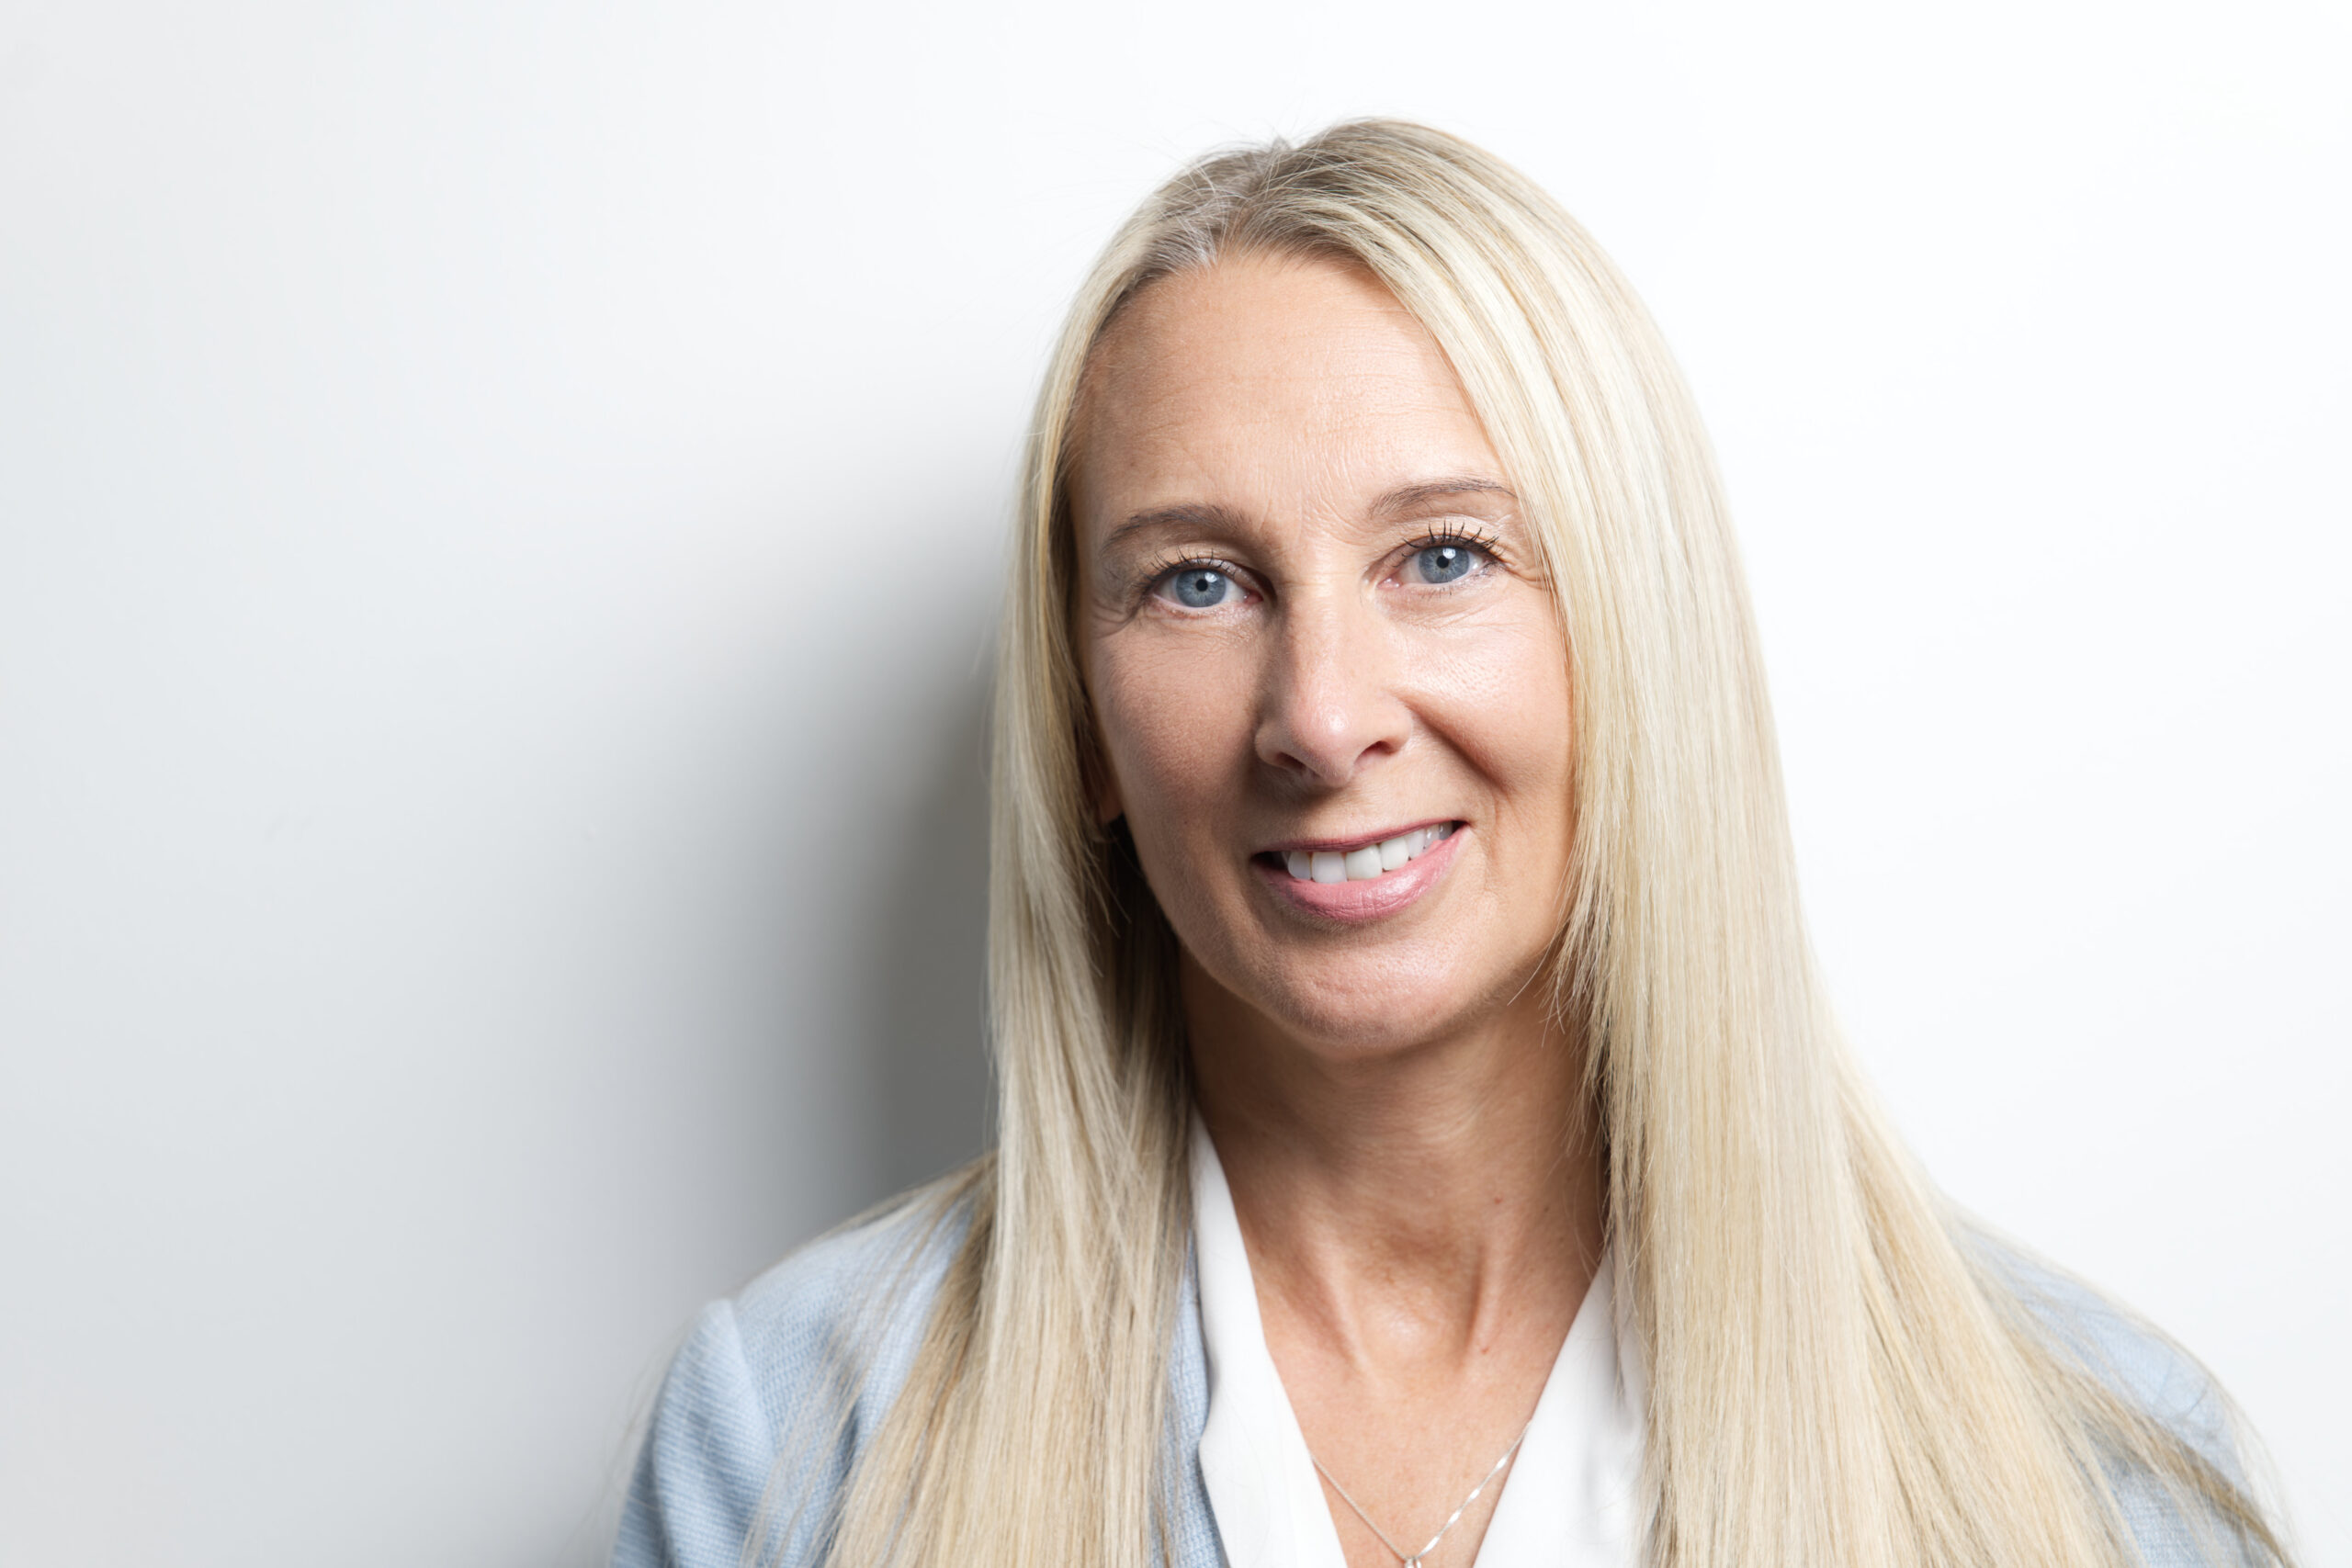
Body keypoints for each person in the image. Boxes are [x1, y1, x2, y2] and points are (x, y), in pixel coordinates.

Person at [613, 120, 2289, 1568]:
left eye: (1444, 557)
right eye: (1197, 581)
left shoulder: (2092, 1475)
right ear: (1082, 731)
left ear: (1639, 646)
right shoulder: (799, 1448)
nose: (1323, 720)